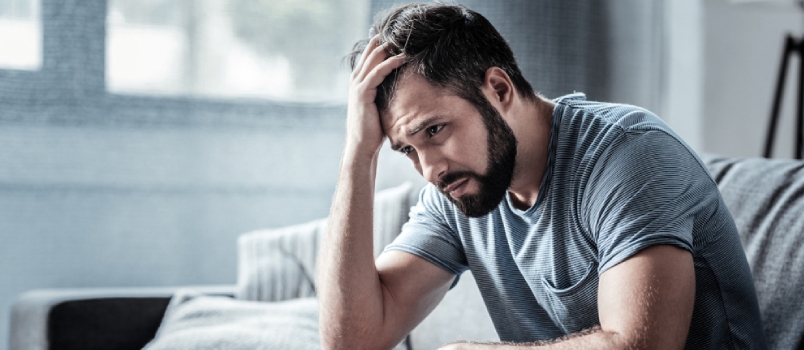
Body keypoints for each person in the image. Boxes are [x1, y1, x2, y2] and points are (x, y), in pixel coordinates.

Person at [317, 3, 766, 349]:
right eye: (407, 151)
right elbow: (354, 339)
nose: (430, 169)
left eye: (434, 130)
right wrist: (358, 154)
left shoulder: (628, 154)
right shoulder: (458, 189)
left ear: (498, 89)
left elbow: (642, 346)